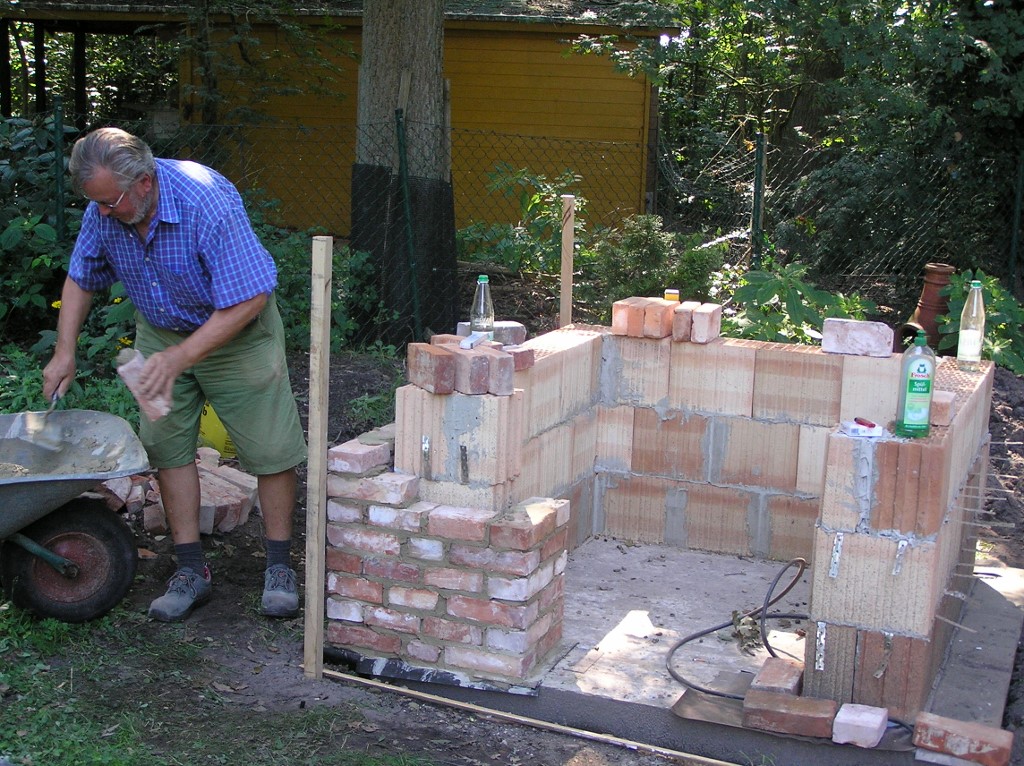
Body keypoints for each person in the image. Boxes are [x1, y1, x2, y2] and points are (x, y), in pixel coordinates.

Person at [43, 127, 308, 622]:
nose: (103, 212)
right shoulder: (106, 206)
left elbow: (251, 296)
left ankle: (278, 566)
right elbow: (81, 275)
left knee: (271, 450)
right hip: (162, 333)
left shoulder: (205, 200)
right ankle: (191, 570)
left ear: (144, 182)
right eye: (95, 203)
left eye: (111, 202)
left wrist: (184, 357)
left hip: (237, 331)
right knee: (166, 445)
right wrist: (64, 351)